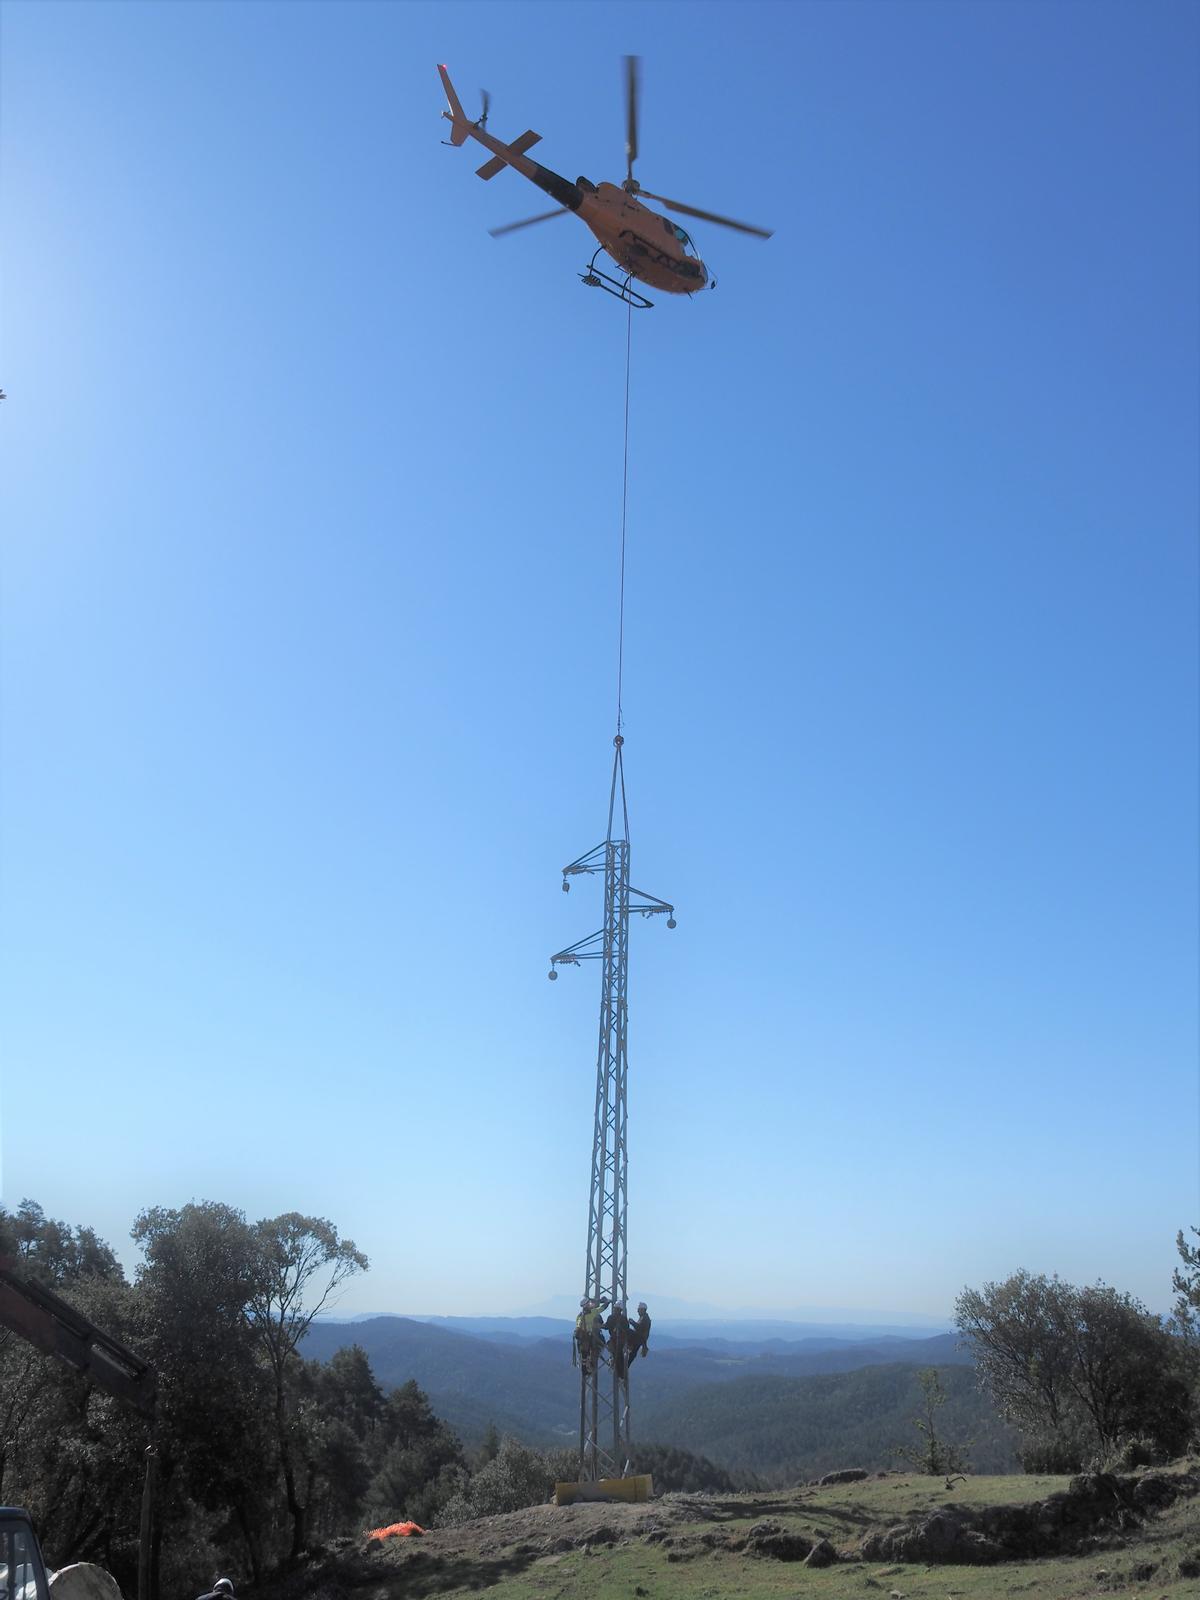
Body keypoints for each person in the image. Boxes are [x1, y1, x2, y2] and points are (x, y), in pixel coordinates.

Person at [605, 1302, 630, 1377]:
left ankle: (619, 1370)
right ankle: (621, 1372)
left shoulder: (611, 1317)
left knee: (616, 1353)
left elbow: (606, 1326)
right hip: (621, 1340)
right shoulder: (624, 1318)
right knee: (619, 1355)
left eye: (615, 1308)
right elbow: (627, 1329)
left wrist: (599, 1326)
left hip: (615, 1339)